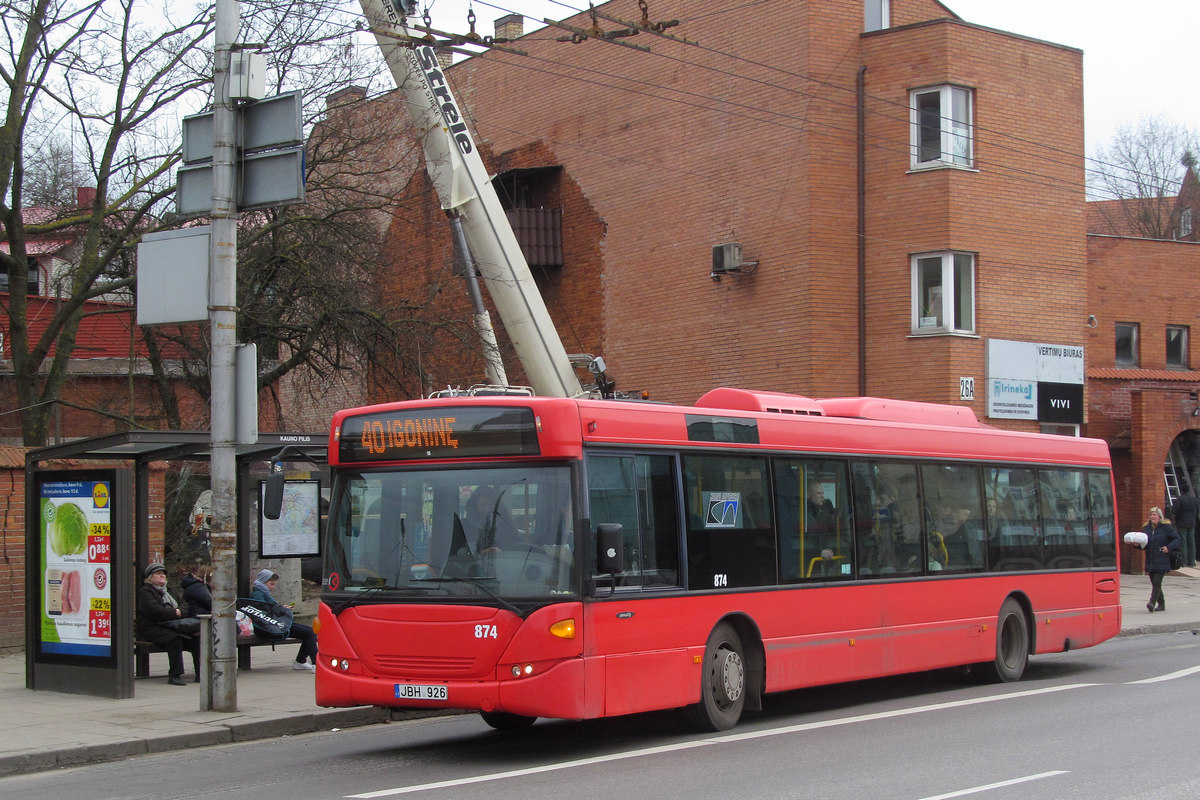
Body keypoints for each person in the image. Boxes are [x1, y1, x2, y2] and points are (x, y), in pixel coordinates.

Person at [136, 563, 199, 685]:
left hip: (173, 625)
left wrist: (179, 612)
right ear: (150, 577)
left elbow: (185, 605)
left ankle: (201, 673)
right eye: (158, 574)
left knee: (196, 639)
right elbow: (154, 611)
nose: (162, 576)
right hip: (153, 627)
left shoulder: (170, 590)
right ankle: (175, 675)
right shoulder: (146, 592)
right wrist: (175, 612)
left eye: (163, 573)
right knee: (175, 639)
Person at [250, 569, 318, 672]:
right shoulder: (258, 594)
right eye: (271, 584)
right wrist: (281, 610)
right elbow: (263, 613)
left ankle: (301, 661)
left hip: (276, 624)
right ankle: (313, 663)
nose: (273, 587)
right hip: (273, 626)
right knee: (310, 633)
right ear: (263, 582)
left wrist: (282, 608)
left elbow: (270, 608)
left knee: (309, 632)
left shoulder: (262, 592)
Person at [1139, 507, 1181, 613]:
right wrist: (1136, 545)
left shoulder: (1166, 527)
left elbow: (1177, 539)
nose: (1152, 516)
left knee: (1157, 582)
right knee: (1154, 583)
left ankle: (1152, 603)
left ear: (1159, 516)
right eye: (1151, 515)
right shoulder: (1146, 528)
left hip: (1162, 558)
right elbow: (1143, 544)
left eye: (1154, 514)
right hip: (1150, 560)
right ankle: (1161, 604)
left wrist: (1168, 547)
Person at [1170, 487, 1198, 568]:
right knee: (1191, 542)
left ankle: (1184, 561)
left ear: (1181, 490)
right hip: (1192, 523)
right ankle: (1192, 561)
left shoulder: (1180, 499)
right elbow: (1197, 510)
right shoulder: (1194, 499)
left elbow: (1174, 511)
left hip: (1182, 522)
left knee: (1183, 541)